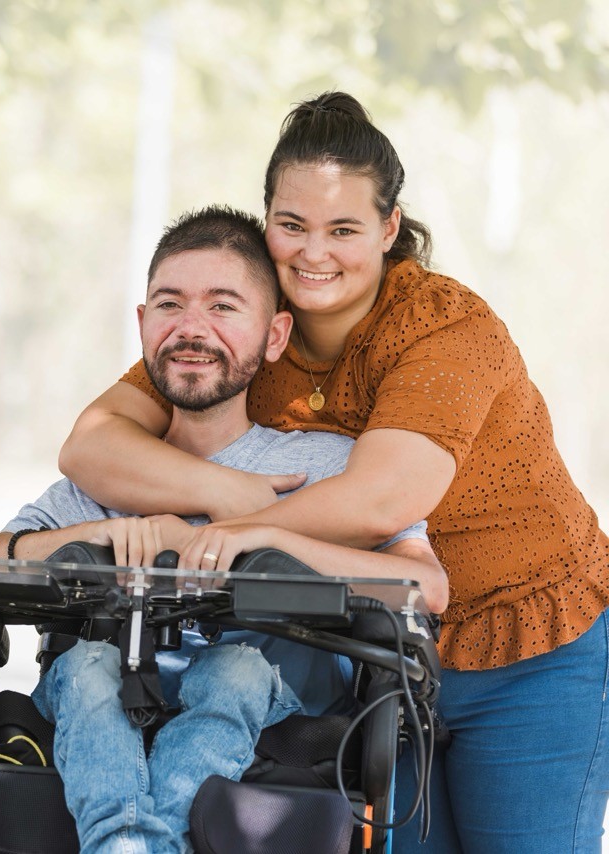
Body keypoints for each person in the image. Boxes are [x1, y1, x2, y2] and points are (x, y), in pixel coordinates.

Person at [57, 92, 609, 853]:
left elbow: (385, 498)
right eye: (292, 226)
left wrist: (228, 532)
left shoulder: (442, 324)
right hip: (380, 651)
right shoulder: (252, 322)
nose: (313, 254)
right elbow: (92, 446)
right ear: (267, 221)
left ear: (389, 228)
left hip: (530, 641)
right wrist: (228, 491)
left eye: (343, 229)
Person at [0, 205, 446, 854]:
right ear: (142, 325)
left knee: (236, 670)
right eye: (169, 305)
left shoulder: (325, 467)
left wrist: (271, 537)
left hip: (273, 723)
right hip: (99, 704)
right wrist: (118, 533)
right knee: (86, 665)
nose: (191, 328)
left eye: (222, 307)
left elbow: (426, 587)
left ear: (274, 336)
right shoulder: (111, 476)